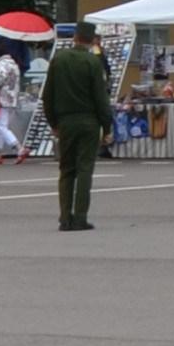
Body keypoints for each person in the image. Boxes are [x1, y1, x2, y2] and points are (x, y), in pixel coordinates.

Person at [45, 21, 113, 231]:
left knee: (66, 170)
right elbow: (101, 99)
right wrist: (107, 127)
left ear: (74, 37)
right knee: (84, 170)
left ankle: (65, 217)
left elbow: (48, 94)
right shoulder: (93, 63)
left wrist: (53, 122)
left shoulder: (58, 60)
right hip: (89, 121)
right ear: (93, 40)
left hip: (65, 121)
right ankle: (80, 217)